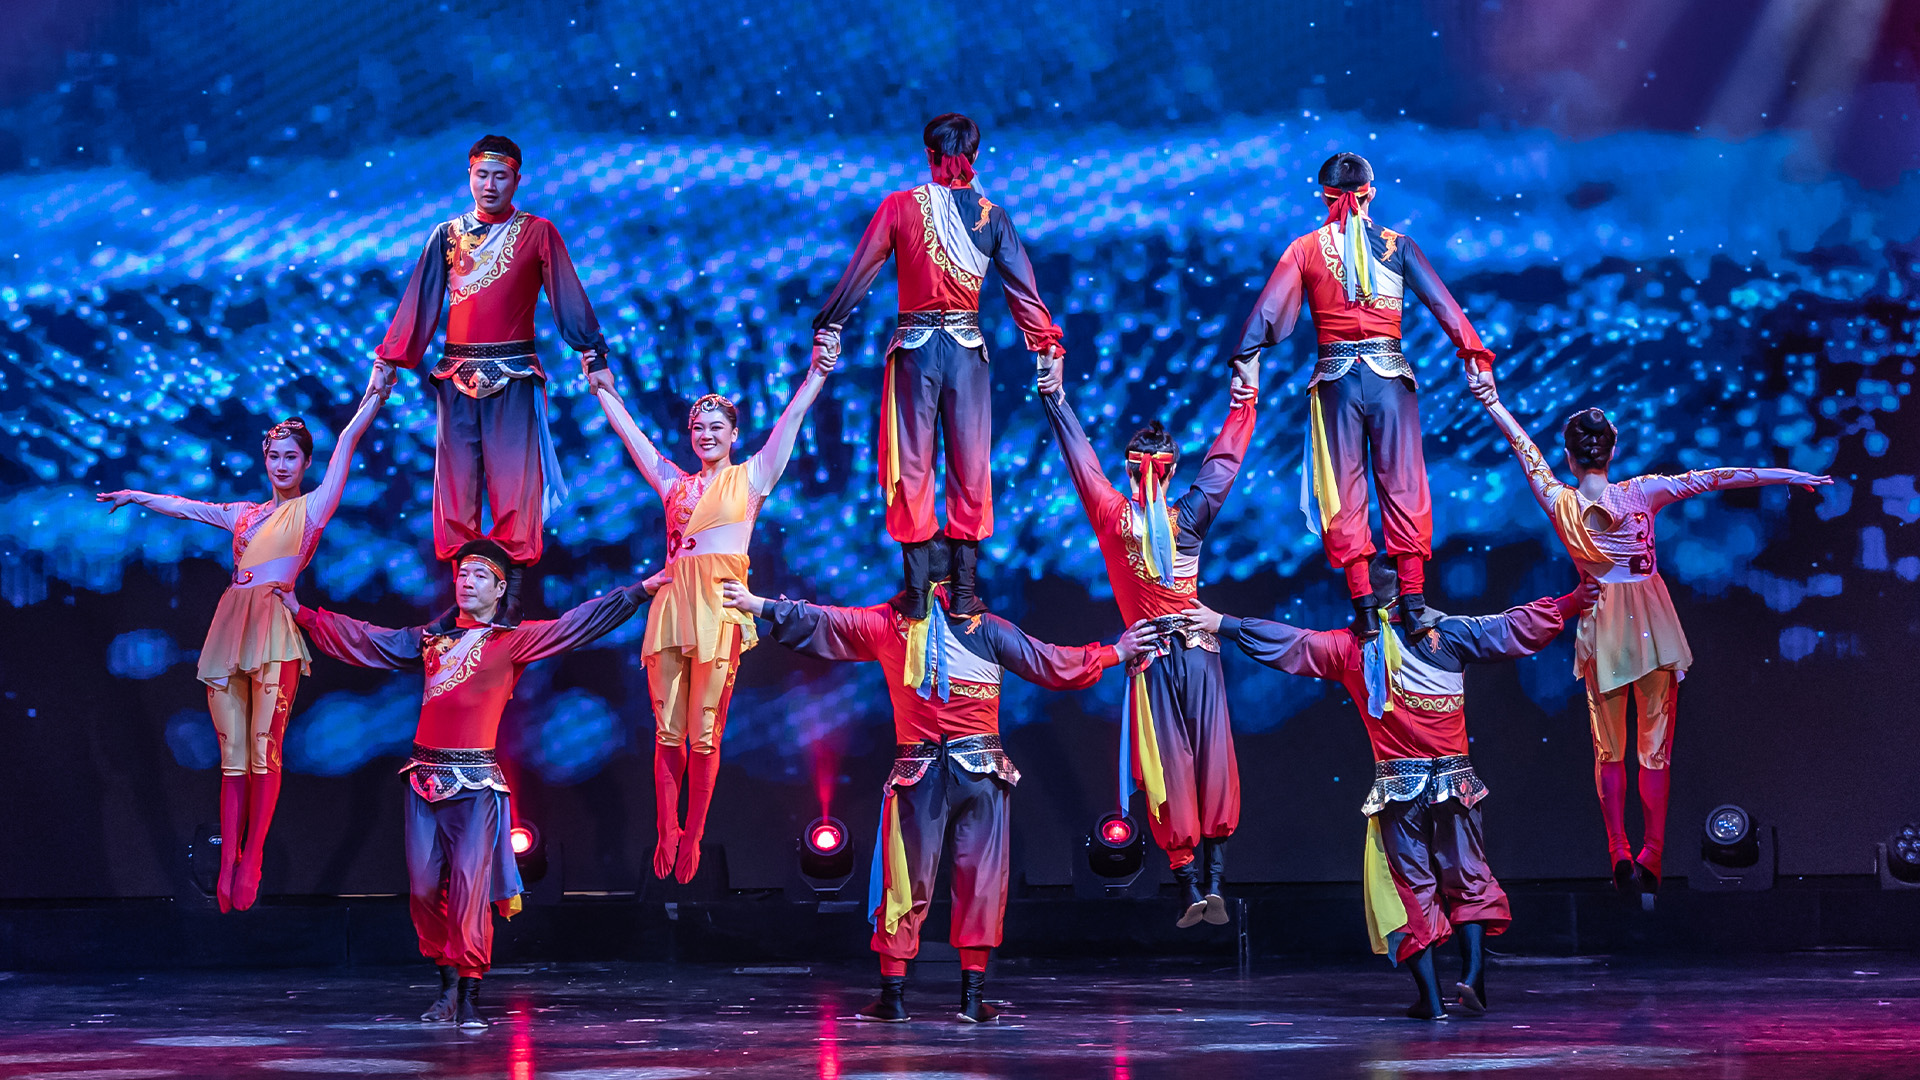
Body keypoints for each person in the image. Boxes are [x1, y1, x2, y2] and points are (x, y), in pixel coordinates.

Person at [721, 554, 1154, 1024]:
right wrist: (1116, 651)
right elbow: (1051, 662)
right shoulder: (987, 628)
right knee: (981, 882)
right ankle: (971, 998)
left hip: (919, 773)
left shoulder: (890, 625)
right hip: (982, 773)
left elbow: (824, 621)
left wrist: (757, 603)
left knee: (905, 883)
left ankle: (895, 996)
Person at [1468, 369, 1830, 898]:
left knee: (1607, 748)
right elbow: (1719, 476)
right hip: (1652, 621)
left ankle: (1618, 847)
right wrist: (1788, 475)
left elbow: (1522, 448)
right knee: (1654, 746)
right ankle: (1652, 853)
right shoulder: (1644, 491)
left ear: (1571, 457)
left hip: (1603, 617)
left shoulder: (1558, 499)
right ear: (1611, 452)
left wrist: (1494, 402)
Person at [1184, 567, 1594, 1019]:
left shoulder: (1351, 648)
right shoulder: (1451, 635)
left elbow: (1292, 644)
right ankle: (1473, 975)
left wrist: (1223, 622)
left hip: (1400, 792)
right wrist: (1573, 600)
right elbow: (1513, 628)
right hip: (1457, 785)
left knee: (1407, 891)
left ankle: (1432, 1000)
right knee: (1470, 878)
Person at [274, 540, 647, 1029]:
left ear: (497, 589)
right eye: (461, 573)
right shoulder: (431, 640)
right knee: (426, 889)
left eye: (478, 575)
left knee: (471, 890)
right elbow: (369, 639)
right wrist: (303, 613)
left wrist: (640, 591)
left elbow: (575, 623)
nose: (466, 581)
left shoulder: (513, 640)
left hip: (476, 786)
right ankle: (446, 979)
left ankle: (466, 993)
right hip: (423, 780)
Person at [96, 390, 386, 912]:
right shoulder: (244, 514)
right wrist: (136, 496)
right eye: (274, 456)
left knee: (262, 748)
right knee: (233, 756)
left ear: (305, 463)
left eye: (291, 456)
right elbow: (187, 509)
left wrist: (376, 391)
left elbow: (347, 442)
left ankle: (252, 858)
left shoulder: (312, 508)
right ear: (264, 459)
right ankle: (228, 859)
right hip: (231, 625)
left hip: (274, 624)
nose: (280, 464)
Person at [1215, 151, 1495, 640]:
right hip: (1390, 378)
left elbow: (1267, 312)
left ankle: (1365, 607)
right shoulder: (1398, 245)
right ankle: (1412, 601)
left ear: (1323, 197)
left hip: (1335, 381)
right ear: (1372, 192)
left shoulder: (1304, 249)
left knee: (1342, 489)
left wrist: (1247, 360)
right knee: (1403, 482)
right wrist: (1474, 355)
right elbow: (1444, 305)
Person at [593, 336, 836, 884]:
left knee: (705, 732)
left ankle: (695, 831)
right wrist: (602, 389)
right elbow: (630, 435)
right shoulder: (673, 483)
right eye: (698, 429)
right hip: (672, 613)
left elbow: (791, 423)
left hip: (721, 614)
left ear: (732, 436)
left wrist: (817, 375)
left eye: (715, 429)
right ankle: (665, 828)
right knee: (667, 732)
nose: (705, 435)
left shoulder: (750, 478)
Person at [811, 112, 1066, 619]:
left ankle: (917, 591)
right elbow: (1024, 292)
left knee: (911, 465)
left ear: (929, 155)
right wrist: (1047, 350)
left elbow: (861, 270)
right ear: (974, 158)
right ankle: (965, 592)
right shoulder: (992, 217)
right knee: (971, 465)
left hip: (916, 350)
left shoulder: (901, 207)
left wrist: (830, 324)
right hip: (968, 352)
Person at [1036, 353, 1257, 927]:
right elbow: (1224, 463)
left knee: (1178, 769)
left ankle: (1193, 887)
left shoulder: (1117, 516)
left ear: (1134, 472)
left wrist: (1056, 397)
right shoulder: (1188, 514)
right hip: (1187, 655)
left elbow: (1081, 462)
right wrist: (1244, 401)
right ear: (1170, 468)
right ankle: (1204, 886)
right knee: (1201, 764)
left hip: (1162, 657)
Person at [370, 133, 614, 603]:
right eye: (482, 174)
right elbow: (419, 303)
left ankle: (509, 608)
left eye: (500, 176)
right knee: (455, 494)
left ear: (517, 180)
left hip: (515, 378)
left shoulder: (537, 232)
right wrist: (390, 360)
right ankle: (461, 609)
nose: (490, 184)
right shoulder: (445, 235)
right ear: (469, 176)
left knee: (514, 492)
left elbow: (566, 294)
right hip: (454, 379)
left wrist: (593, 355)